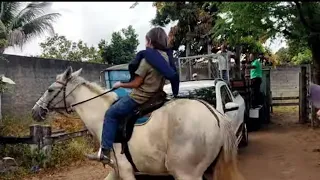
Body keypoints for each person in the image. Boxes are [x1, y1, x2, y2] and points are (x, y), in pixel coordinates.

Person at [87, 27, 179, 164]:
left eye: (146, 41)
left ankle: (105, 151)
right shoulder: (166, 57)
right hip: (157, 96)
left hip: (141, 97)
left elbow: (136, 83)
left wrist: (120, 84)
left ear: (150, 41)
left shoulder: (148, 59)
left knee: (111, 113)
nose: (145, 44)